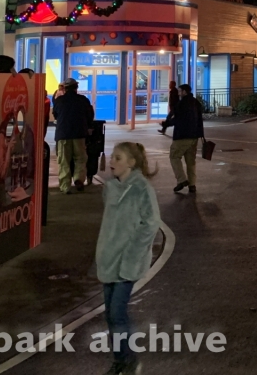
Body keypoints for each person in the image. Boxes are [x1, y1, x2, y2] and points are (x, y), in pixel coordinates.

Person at [96, 142, 161, 375]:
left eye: (118, 158)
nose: (112, 161)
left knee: (117, 311)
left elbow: (151, 223)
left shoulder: (142, 188)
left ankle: (127, 359)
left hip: (128, 262)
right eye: (112, 156)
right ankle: (121, 359)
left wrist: (133, 252)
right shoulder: (110, 188)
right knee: (110, 314)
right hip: (109, 259)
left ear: (131, 163)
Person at [53, 77, 94, 194]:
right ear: (76, 88)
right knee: (80, 158)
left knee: (64, 161)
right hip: (79, 134)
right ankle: (78, 179)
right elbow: (90, 115)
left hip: (63, 134)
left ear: (65, 89)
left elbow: (55, 114)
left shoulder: (59, 101)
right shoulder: (83, 100)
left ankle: (65, 187)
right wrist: (88, 126)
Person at [162, 84, 204, 193]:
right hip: (194, 136)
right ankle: (192, 185)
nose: (178, 93)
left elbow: (177, 119)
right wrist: (201, 134)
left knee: (174, 156)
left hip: (182, 135)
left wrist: (166, 124)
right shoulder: (195, 102)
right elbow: (200, 119)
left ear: (184, 92)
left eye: (180, 91)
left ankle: (181, 180)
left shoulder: (182, 104)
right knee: (191, 161)